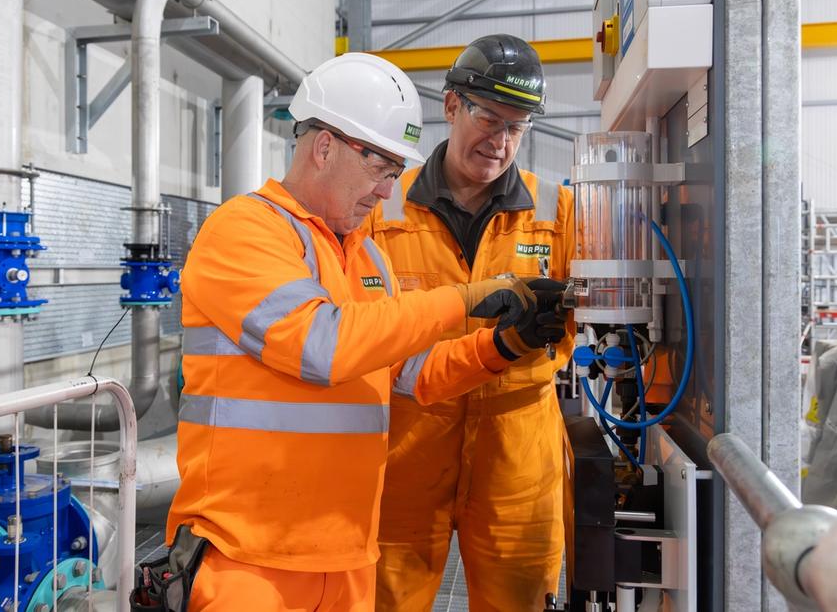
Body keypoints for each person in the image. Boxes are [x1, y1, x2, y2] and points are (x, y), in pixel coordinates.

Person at [164, 52, 559, 612]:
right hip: (250, 561)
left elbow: (414, 373)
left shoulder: (365, 256)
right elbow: (322, 344)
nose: (387, 191)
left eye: (397, 173)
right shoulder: (244, 230)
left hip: (348, 557)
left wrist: (501, 346)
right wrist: (463, 299)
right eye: (381, 168)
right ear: (325, 147)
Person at [365, 34, 575, 612]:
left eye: (517, 127)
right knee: (385, 600)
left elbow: (589, 318)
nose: (501, 140)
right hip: (405, 453)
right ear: (452, 105)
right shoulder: (382, 209)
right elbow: (359, 328)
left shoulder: (557, 212)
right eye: (489, 117)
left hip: (517, 459)